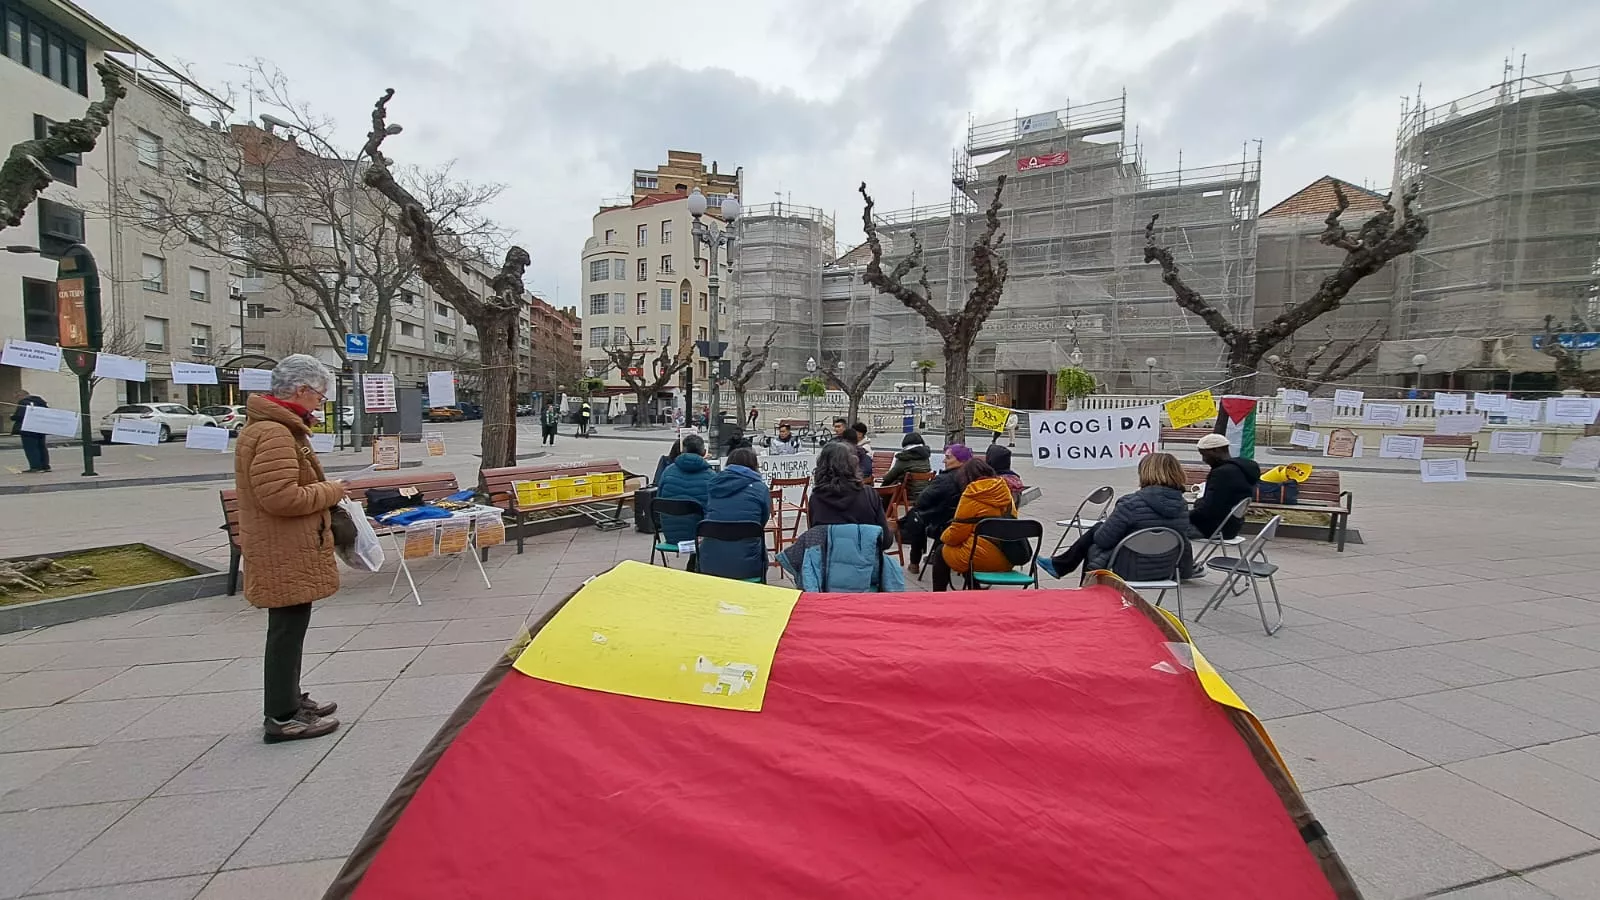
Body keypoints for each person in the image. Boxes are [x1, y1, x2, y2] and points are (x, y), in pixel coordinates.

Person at [234, 355, 344, 743]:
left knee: (291, 628)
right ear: (301, 391)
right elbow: (280, 497)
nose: (321, 403)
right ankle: (281, 716)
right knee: (285, 631)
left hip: (287, 546)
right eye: (320, 395)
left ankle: (290, 699)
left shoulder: (278, 428)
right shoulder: (275, 433)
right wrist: (333, 490)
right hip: (283, 549)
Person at [1039, 452, 1197, 582]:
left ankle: (1072, 579)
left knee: (1096, 541)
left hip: (1127, 569)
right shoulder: (1182, 506)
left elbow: (1103, 540)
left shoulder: (1131, 503)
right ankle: (1059, 566)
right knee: (1102, 533)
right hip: (1165, 569)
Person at [934, 458, 1019, 592]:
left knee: (941, 552)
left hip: (978, 559)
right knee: (971, 547)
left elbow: (956, 533)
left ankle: (938, 597)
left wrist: (943, 537)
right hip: (1007, 558)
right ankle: (975, 590)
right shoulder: (1005, 491)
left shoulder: (971, 494)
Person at [901, 443, 972, 575]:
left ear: (961, 460)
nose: (944, 461)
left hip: (944, 525)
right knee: (917, 514)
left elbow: (921, 501)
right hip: (967, 525)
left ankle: (914, 561)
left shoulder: (945, 479)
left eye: (948, 457)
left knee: (916, 515)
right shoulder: (972, 478)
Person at [805, 443, 892, 549]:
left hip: (829, 561)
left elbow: (815, 542)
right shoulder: (869, 494)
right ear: (853, 464)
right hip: (865, 560)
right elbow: (885, 541)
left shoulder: (816, 499)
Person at [1189, 433, 1261, 540]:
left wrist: (1185, 515)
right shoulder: (1243, 469)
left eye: (1205, 455)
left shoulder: (1222, 473)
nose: (1204, 459)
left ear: (1216, 451)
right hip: (1232, 526)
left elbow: (1210, 509)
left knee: (1168, 527)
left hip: (1214, 528)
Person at [655, 433, 714, 544]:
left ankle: (693, 559)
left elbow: (659, 499)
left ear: (683, 451)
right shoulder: (711, 476)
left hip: (671, 535)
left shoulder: (668, 471)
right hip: (700, 537)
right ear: (704, 452)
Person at [880, 432, 933, 501]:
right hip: (923, 493)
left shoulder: (904, 458)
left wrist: (885, 476)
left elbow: (888, 477)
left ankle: (883, 510)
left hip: (906, 493)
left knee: (884, 488)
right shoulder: (925, 458)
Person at [10, 389, 50, 473]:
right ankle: (45, 466)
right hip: (40, 427)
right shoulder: (40, 401)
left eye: (16, 397)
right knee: (41, 447)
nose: (16, 400)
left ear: (20, 396)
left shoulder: (23, 402)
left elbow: (21, 415)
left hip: (27, 429)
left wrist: (13, 417)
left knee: (31, 448)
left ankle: (35, 466)